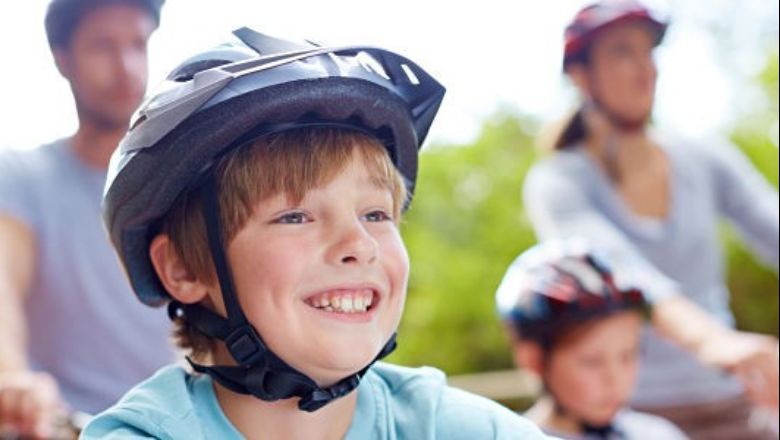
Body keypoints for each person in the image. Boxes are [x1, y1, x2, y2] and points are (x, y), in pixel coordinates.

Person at [80, 28, 549, 439]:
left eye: (375, 215)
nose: (359, 246)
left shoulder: (446, 426)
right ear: (182, 266)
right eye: (295, 216)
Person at [523, 1, 779, 438]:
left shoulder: (705, 157)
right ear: (581, 75)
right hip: (626, 411)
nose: (646, 68)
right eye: (623, 52)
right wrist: (712, 341)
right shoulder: (558, 181)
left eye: (649, 52)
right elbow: (624, 271)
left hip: (732, 397)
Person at [0, 0, 172, 437]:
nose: (126, 65)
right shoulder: (23, 177)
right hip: (59, 424)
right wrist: (11, 377)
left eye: (138, 44)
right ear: (62, 59)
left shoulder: (184, 185)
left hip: (171, 421)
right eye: (102, 46)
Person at [495, 240, 689, 439]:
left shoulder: (658, 435)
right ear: (533, 359)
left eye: (628, 355)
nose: (615, 380)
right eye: (592, 362)